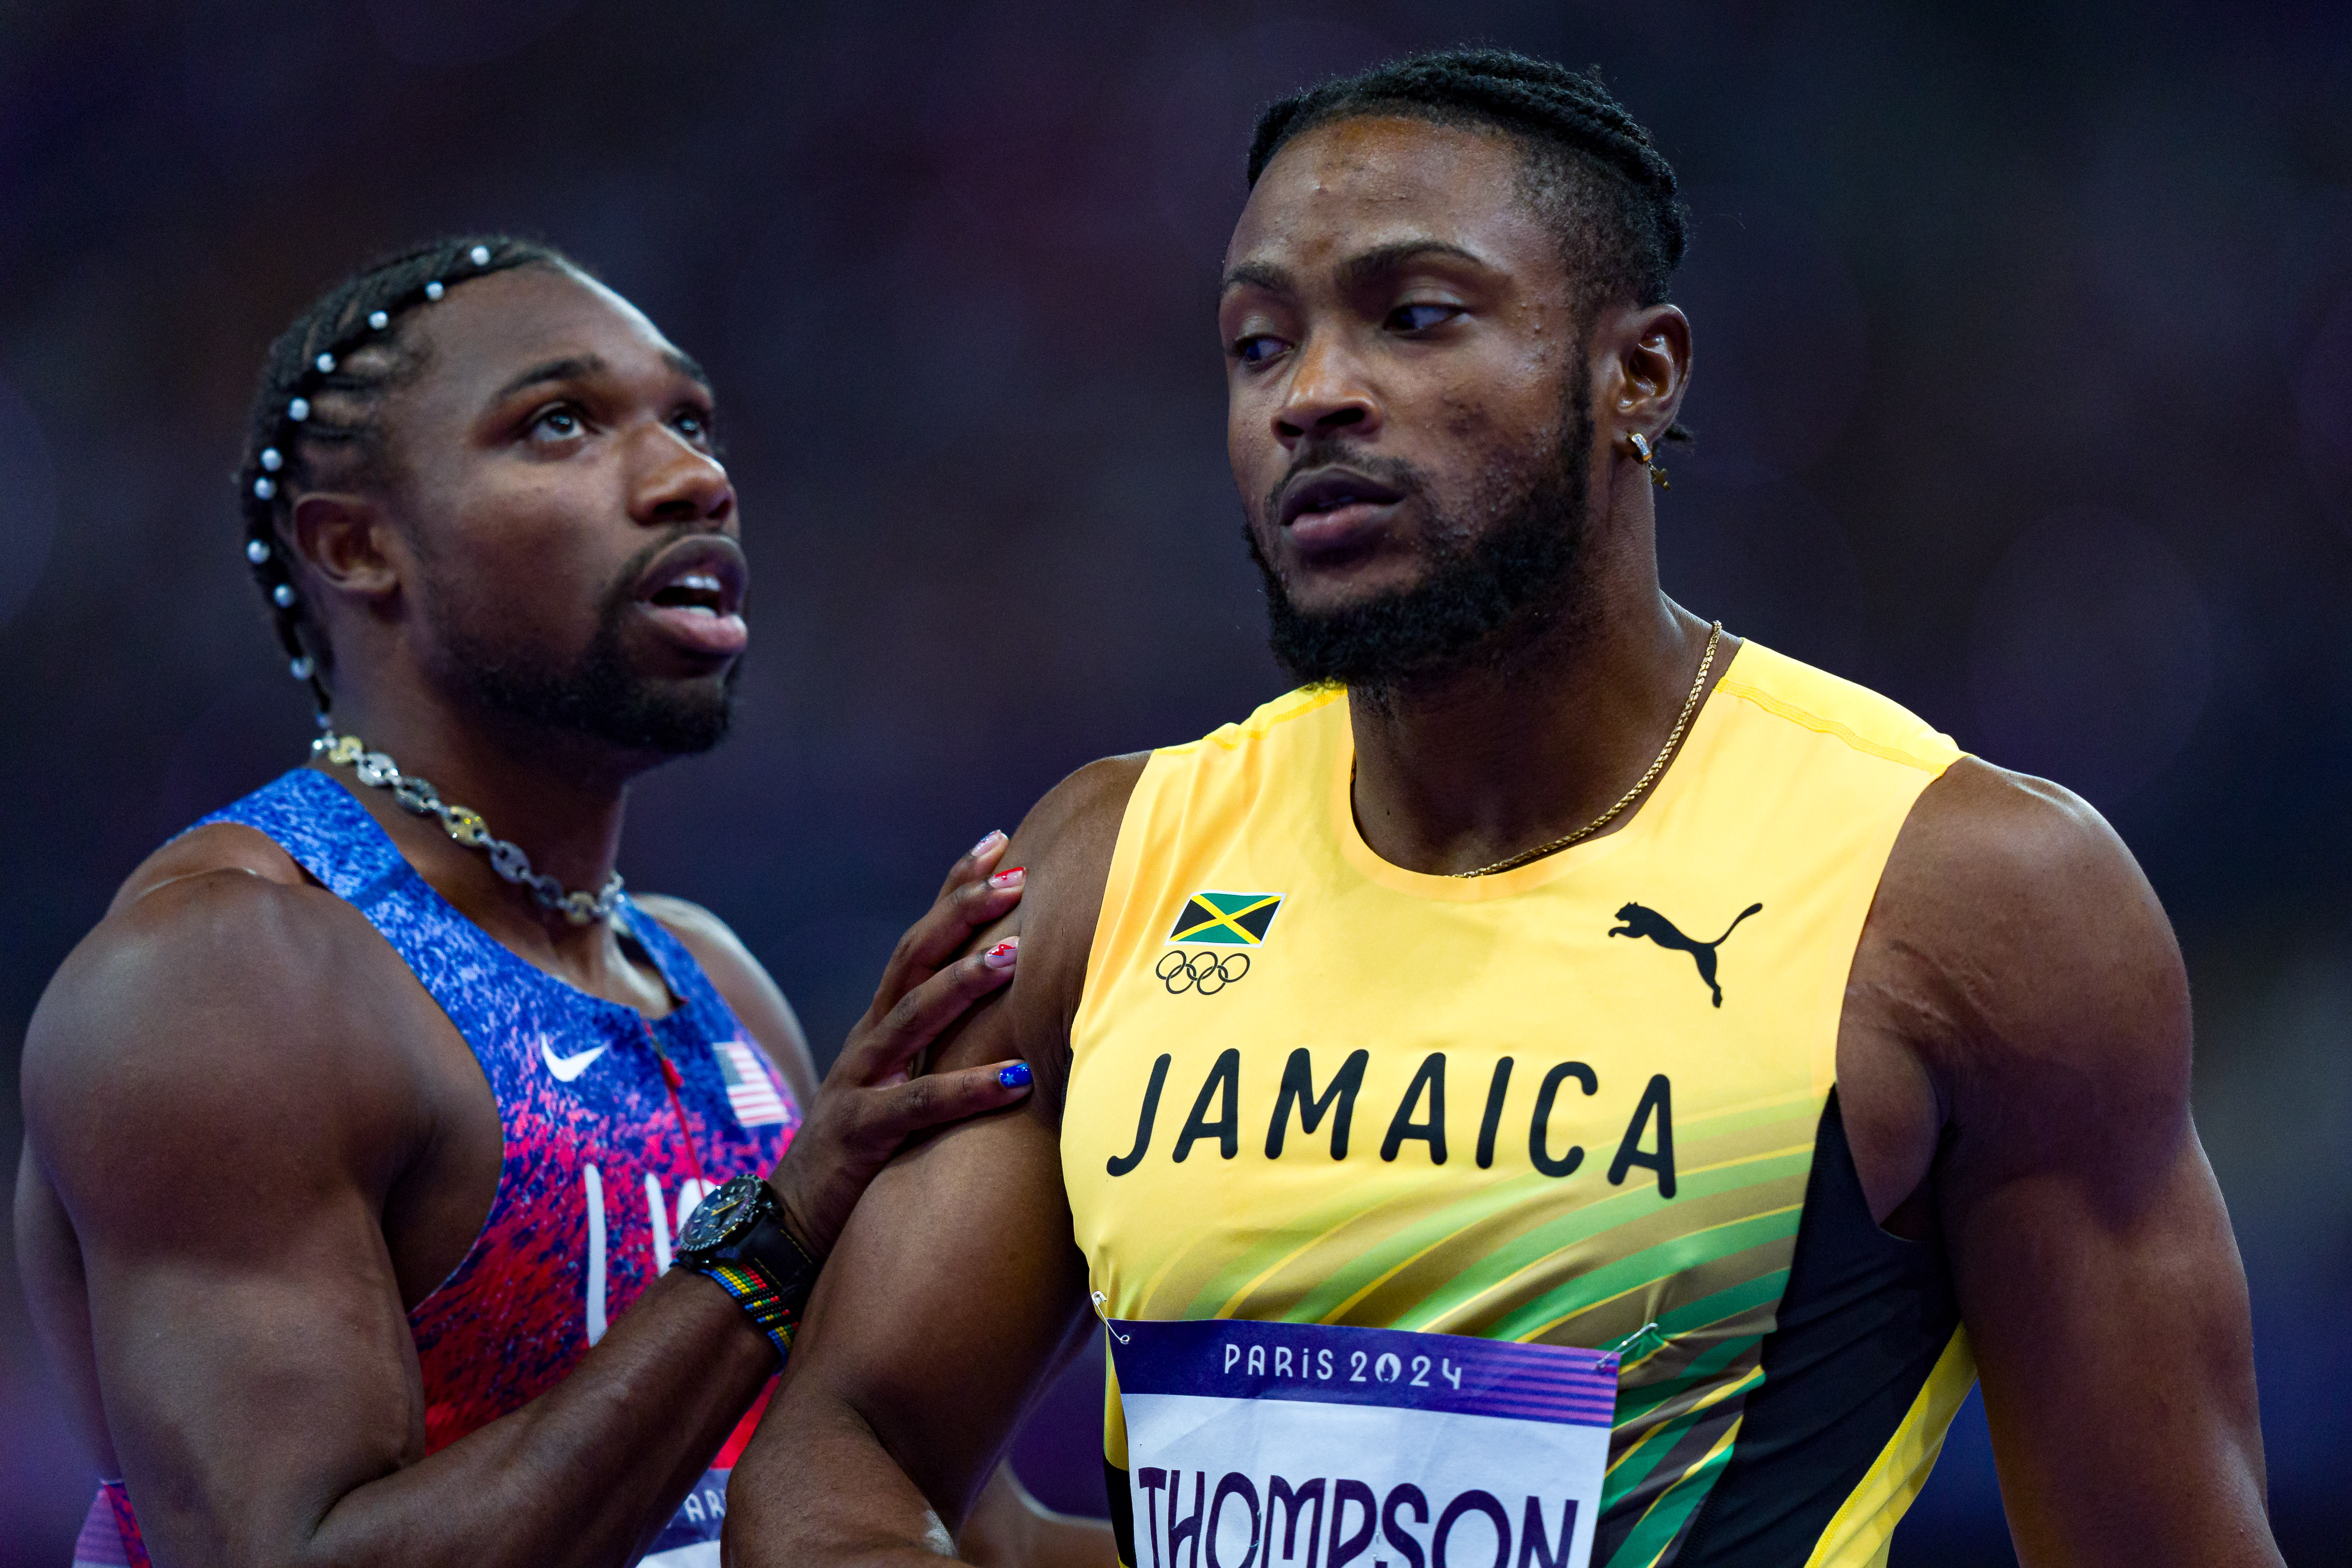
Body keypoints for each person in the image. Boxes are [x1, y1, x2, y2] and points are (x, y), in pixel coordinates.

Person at [723, 50, 2285, 1568]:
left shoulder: (1963, 893)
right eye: (1258, 345)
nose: (1312, 397)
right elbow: (841, 1452)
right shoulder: (1101, 868)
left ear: (1638, 371)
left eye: (1412, 318)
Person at [15, 236, 1107, 1568]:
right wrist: (779, 1233)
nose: (693, 479)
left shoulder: (708, 980)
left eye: (692, 422)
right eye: (561, 424)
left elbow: (957, 1533)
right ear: (361, 547)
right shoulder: (229, 976)